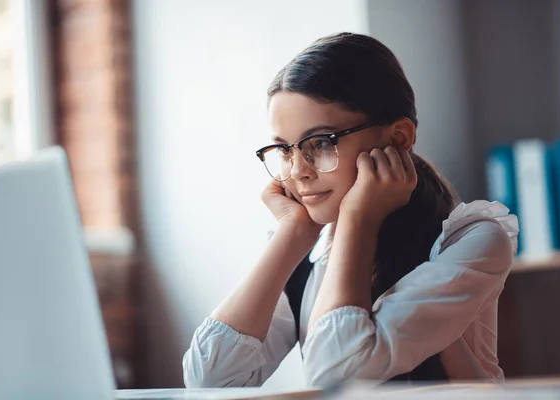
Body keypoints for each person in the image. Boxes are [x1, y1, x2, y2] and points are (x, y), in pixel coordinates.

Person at [182, 32, 519, 388]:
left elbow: (337, 376)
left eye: (322, 142)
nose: (299, 170)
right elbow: (210, 382)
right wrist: (291, 235)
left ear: (398, 138)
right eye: (284, 150)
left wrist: (359, 218)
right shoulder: (312, 250)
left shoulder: (472, 242)